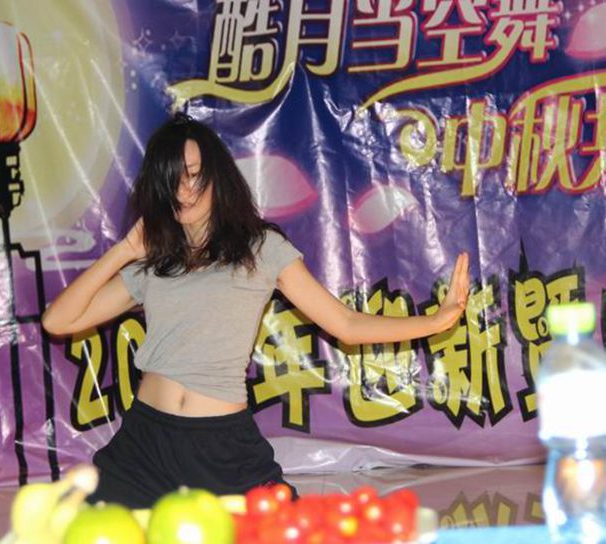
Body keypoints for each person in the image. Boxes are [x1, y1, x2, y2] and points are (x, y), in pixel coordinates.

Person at [41, 114, 470, 508]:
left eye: (194, 175)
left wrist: (436, 321)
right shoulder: (156, 263)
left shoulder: (261, 248)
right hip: (146, 443)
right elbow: (58, 321)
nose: (184, 191)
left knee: (283, 530)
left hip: (221, 446)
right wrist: (124, 250)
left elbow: (345, 323)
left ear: (217, 176)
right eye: (172, 180)